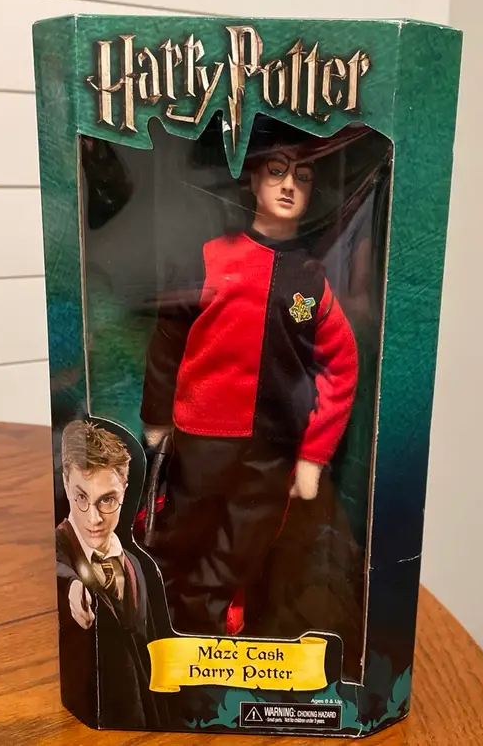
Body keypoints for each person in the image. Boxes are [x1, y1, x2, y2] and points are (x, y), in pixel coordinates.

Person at [139, 121, 359, 637]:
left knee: (246, 539)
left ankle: (209, 616)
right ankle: (161, 613)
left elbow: (343, 365)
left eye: (302, 177)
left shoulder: (311, 280)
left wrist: (313, 454)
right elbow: (168, 340)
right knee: (181, 529)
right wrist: (157, 417)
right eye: (277, 171)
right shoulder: (211, 257)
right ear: (254, 180)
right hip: (203, 437)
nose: (289, 185)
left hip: (272, 449)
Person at [55, 419, 168, 729]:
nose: (93, 518)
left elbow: (149, 655)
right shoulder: (58, 551)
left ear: (124, 492)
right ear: (66, 484)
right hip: (78, 723)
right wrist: (71, 585)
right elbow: (56, 566)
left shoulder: (136, 566)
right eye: (81, 497)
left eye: (107, 500)